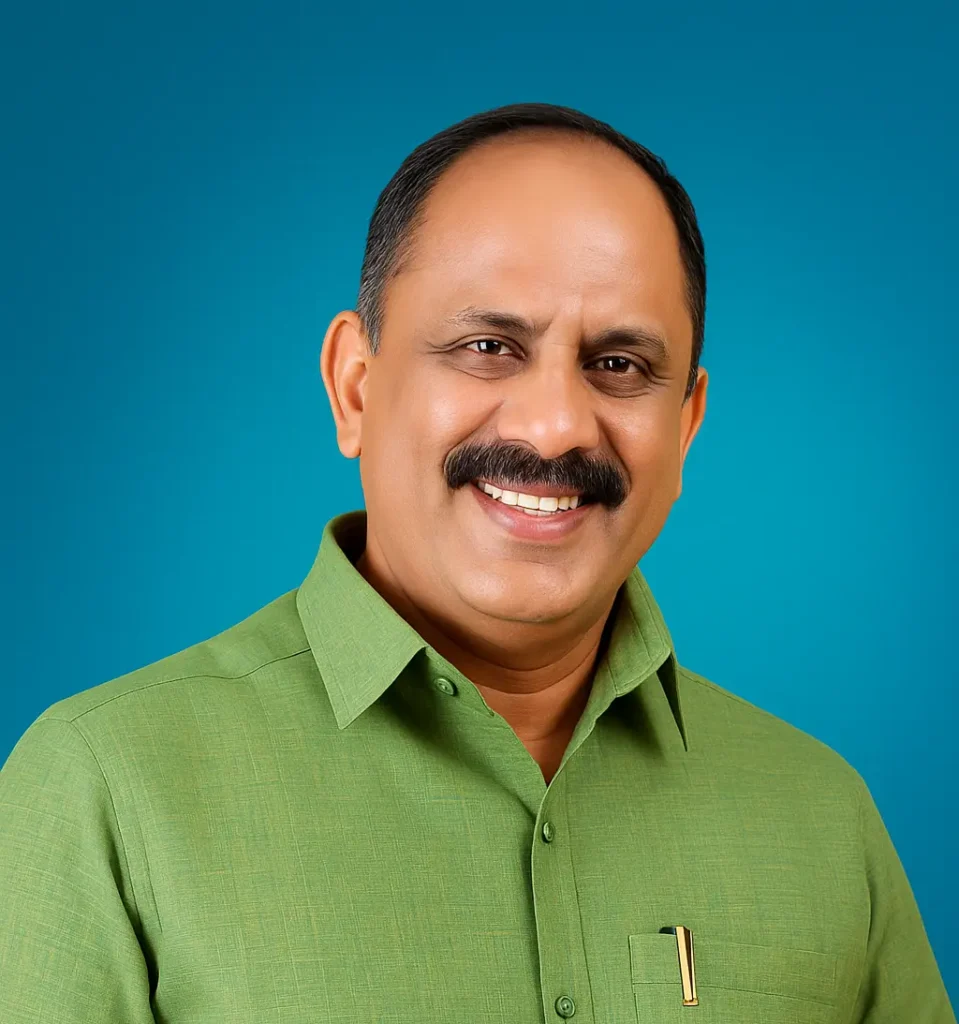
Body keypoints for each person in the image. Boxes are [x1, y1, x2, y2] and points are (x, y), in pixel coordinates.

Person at [0, 101, 953, 1023]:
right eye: (488, 346)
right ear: (355, 388)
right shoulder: (104, 790)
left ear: (686, 424)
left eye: (619, 365)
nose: (555, 425)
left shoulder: (822, 818)